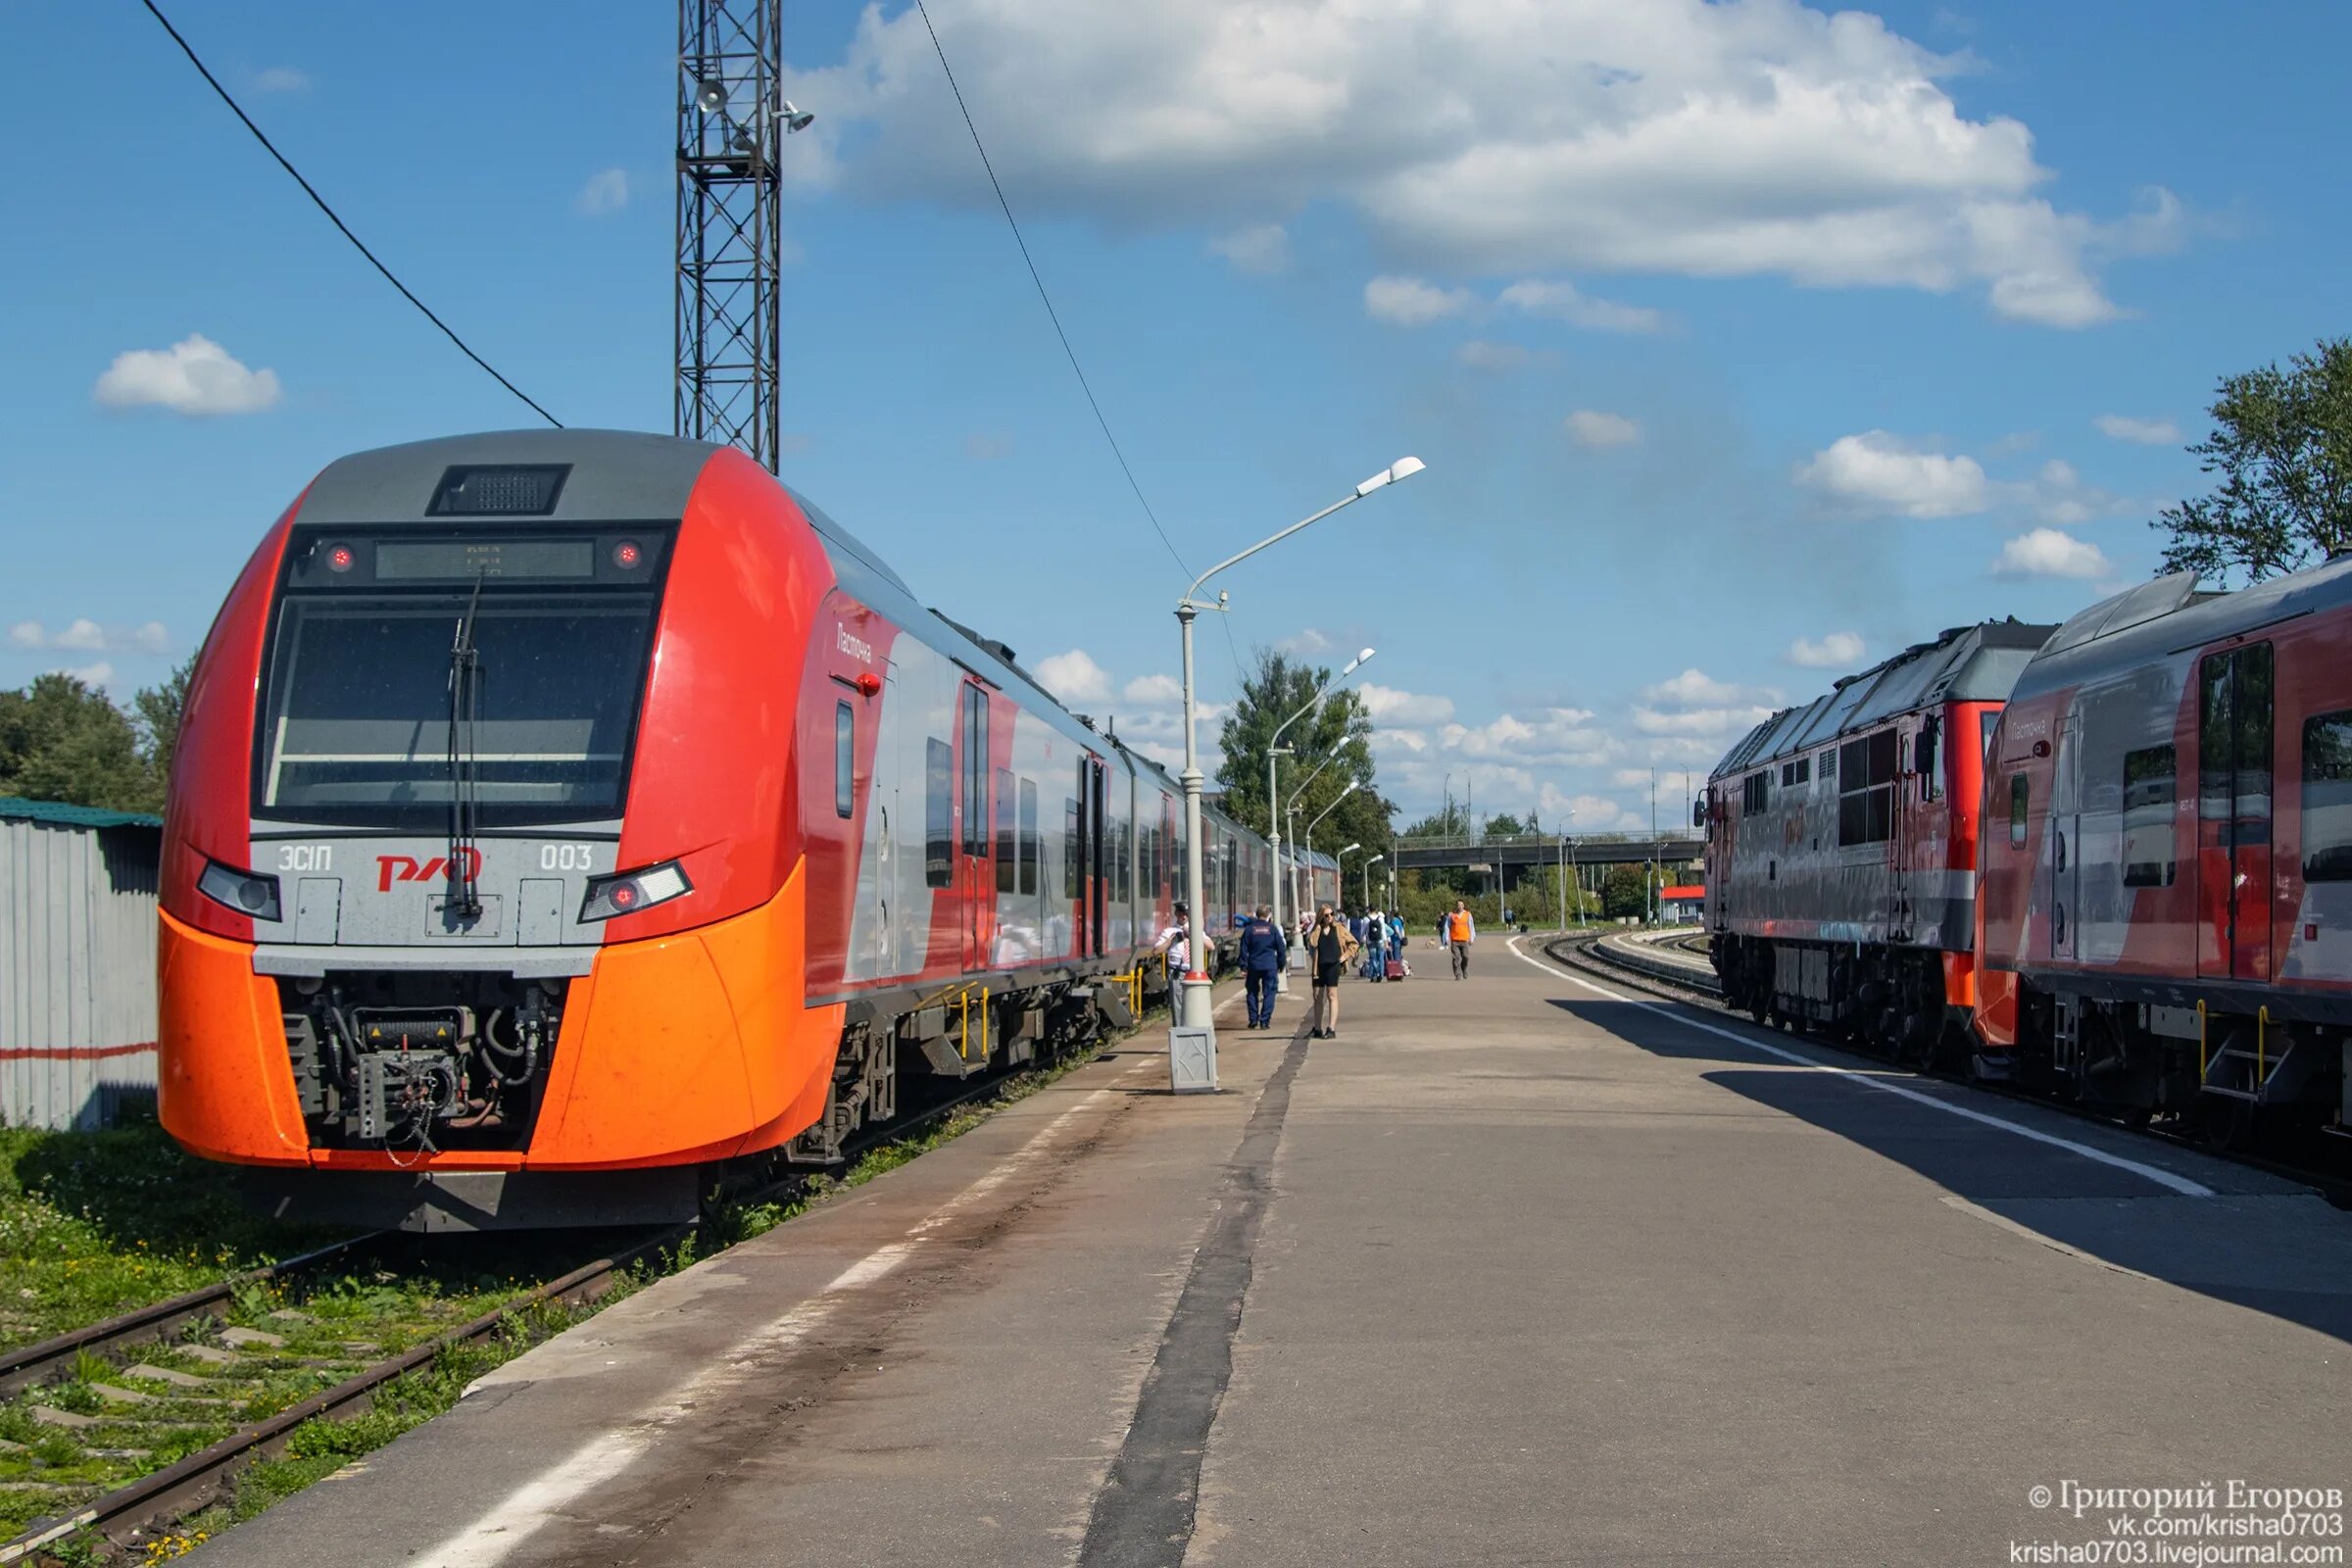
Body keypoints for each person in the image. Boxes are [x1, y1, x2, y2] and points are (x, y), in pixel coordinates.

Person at [1238, 905, 1288, 1031]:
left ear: (1256, 914)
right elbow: (1281, 948)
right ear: (1269, 915)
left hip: (1253, 965)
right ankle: (1264, 1021)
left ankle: (1253, 1020)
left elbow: (1243, 949)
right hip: (1270, 965)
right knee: (1269, 992)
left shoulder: (1249, 930)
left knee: (1252, 992)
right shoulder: (1273, 929)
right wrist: (1281, 965)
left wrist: (1243, 966)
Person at [1310, 906, 1348, 1038]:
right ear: (1321, 916)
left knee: (1332, 995)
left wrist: (1344, 957)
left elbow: (1354, 943)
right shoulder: (1317, 930)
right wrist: (1318, 927)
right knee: (1317, 997)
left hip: (1333, 965)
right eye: (1326, 915)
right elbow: (1312, 942)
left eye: (1332, 914)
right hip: (1319, 967)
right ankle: (1317, 1028)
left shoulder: (1338, 928)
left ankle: (1331, 1028)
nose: (1330, 917)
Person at [1444, 899, 1476, 979]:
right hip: (1455, 940)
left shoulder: (1468, 914)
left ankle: (1464, 969)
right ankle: (1458, 974)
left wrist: (1471, 938)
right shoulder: (1452, 915)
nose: (1460, 906)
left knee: (1465, 956)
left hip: (1465, 940)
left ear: (1464, 906)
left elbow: (1471, 927)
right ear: (1456, 906)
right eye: (1458, 905)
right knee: (1456, 957)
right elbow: (1447, 926)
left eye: (1461, 905)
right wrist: (1447, 938)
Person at [1361, 906, 1387, 981]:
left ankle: (1377, 973)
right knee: (1380, 958)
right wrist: (1385, 942)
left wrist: (1361, 940)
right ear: (1376, 910)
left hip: (1370, 941)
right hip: (1380, 941)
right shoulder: (1381, 919)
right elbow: (1383, 931)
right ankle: (1381, 974)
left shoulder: (1366, 919)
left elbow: (1363, 931)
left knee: (1373, 958)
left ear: (1369, 910)